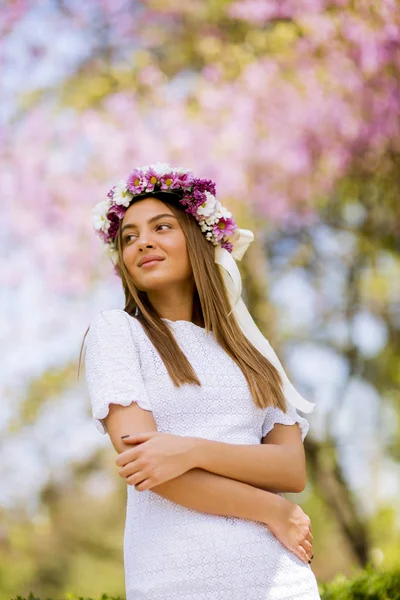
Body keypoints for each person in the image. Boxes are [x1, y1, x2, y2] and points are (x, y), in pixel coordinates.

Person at [81, 163, 321, 599]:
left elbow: (291, 468)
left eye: (161, 227)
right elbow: (147, 466)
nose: (143, 242)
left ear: (197, 237)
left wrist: (187, 449)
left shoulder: (251, 349)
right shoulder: (116, 332)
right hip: (175, 575)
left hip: (278, 575)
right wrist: (272, 509)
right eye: (129, 237)